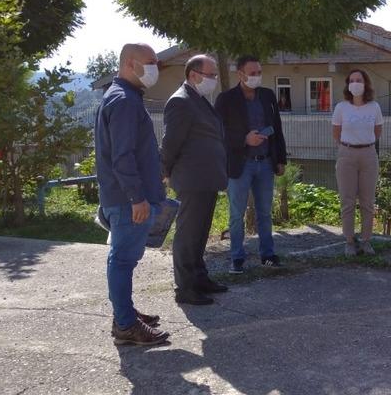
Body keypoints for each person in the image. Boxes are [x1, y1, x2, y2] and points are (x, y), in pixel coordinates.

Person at [95, 43, 169, 346]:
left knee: (124, 260)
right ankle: (125, 325)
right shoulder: (124, 100)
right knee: (122, 261)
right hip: (128, 201)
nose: (155, 68)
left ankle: (126, 314)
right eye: (150, 62)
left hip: (126, 197)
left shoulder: (123, 97)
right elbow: (122, 157)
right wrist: (136, 197)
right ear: (129, 63)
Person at [162, 54, 229, 306]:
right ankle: (185, 287)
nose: (213, 80)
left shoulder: (198, 99)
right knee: (188, 234)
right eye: (210, 75)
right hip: (191, 179)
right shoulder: (180, 102)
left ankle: (200, 278)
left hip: (206, 178)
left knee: (200, 233)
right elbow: (170, 143)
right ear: (193, 75)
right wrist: (164, 170)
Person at [215, 55, 287, 274]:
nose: (257, 76)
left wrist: (281, 158)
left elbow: (277, 126)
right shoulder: (225, 99)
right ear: (241, 74)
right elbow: (219, 132)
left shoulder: (267, 95)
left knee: (265, 212)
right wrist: (243, 140)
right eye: (252, 73)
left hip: (265, 163)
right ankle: (237, 258)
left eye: (259, 72)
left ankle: (268, 255)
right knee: (237, 215)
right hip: (240, 164)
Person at [331, 69, 383, 256]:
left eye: (358, 80)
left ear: (366, 83)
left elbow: (377, 131)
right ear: (347, 84)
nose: (355, 83)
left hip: (368, 154)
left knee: (368, 201)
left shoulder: (374, 107)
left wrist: (363, 142)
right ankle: (349, 241)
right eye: (351, 80)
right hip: (346, 154)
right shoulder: (341, 107)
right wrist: (349, 146)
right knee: (347, 200)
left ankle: (366, 240)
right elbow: (336, 133)